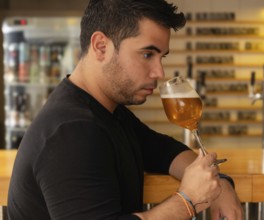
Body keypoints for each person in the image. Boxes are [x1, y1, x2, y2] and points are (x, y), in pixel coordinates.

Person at [7, 0, 243, 219]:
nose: (159, 72)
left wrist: (219, 184)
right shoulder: (71, 131)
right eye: (147, 54)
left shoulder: (108, 112)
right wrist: (188, 201)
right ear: (101, 47)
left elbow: (164, 151)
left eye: (161, 57)